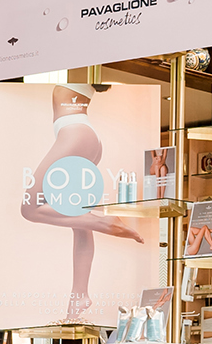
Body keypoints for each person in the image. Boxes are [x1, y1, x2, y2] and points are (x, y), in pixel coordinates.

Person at [19, 84, 142, 322]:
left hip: (75, 133)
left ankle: (104, 222)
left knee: (30, 207)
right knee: (80, 224)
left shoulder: (86, 63)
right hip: (79, 134)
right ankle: (79, 296)